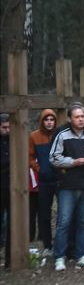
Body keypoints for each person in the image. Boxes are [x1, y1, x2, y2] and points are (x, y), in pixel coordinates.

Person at [50, 103, 84, 271]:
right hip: (67, 184)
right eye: (77, 117)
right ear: (69, 118)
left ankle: (80, 255)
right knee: (64, 221)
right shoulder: (62, 134)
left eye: (82, 116)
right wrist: (74, 162)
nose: (81, 119)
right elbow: (53, 157)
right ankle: (60, 257)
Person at [28, 109, 57, 257]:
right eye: (46, 119)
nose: (49, 122)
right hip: (44, 181)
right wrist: (39, 168)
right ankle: (47, 245)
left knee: (63, 213)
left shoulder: (59, 135)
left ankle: (60, 243)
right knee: (44, 214)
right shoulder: (34, 136)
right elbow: (30, 156)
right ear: (42, 121)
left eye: (52, 119)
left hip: (59, 180)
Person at [0, 114, 10, 268]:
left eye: (9, 127)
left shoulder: (14, 141)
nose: (7, 130)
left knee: (12, 224)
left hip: (11, 187)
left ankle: (10, 259)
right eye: (4, 127)